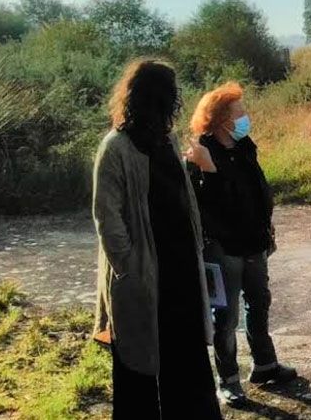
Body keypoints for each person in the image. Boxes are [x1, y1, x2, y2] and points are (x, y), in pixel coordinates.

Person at [91, 59, 222, 419]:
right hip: (143, 278)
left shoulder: (168, 141)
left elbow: (183, 198)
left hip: (181, 272)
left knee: (189, 362)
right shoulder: (115, 147)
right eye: (170, 95)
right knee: (139, 369)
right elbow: (107, 216)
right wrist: (131, 269)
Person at [184, 81, 298, 407]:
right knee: (227, 317)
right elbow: (214, 205)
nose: (246, 117)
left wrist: (267, 225)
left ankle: (264, 365)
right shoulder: (200, 155)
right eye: (239, 113)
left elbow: (255, 190)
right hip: (224, 248)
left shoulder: (245, 145)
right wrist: (210, 170)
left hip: (254, 242)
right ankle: (228, 380)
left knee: (259, 303)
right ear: (221, 119)